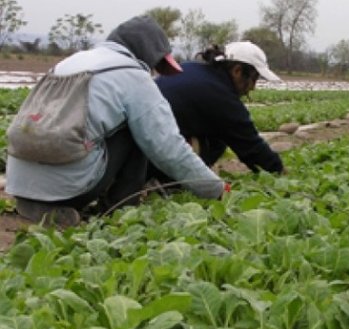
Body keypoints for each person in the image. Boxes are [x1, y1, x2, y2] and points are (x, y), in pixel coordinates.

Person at [5, 16, 225, 227]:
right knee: (140, 129)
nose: (154, 71)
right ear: (146, 53)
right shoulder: (133, 75)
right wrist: (215, 188)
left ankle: (38, 204)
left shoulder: (71, 61)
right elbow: (168, 147)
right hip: (70, 185)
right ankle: (117, 209)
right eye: (157, 64)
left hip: (19, 181)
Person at [151, 41, 285, 178]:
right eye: (254, 79)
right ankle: (169, 182)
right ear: (237, 71)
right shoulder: (221, 96)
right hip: (150, 157)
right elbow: (251, 146)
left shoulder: (192, 68)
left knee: (216, 135)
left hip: (139, 147)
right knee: (217, 142)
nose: (253, 87)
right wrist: (279, 172)